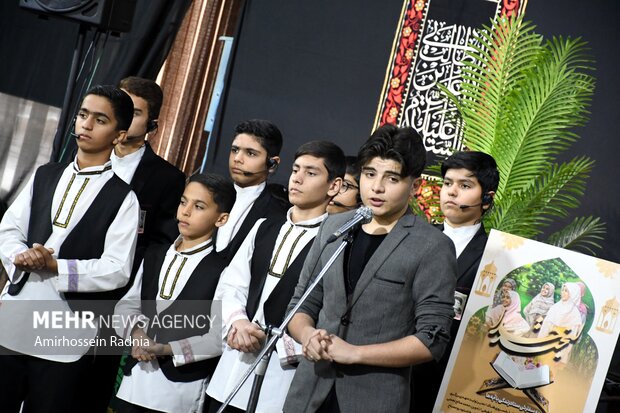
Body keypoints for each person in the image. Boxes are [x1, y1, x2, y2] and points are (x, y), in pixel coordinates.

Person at [283, 124, 457, 413]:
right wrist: (308, 336)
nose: (376, 187)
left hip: (374, 399)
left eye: (392, 178)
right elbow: (302, 303)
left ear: (414, 187)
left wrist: (356, 354)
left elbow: (432, 339)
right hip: (309, 391)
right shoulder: (334, 226)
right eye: (369, 174)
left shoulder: (432, 246)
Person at [0, 85, 140, 413]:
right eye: (82, 115)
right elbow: (9, 229)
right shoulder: (45, 175)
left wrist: (57, 267)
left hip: (65, 330)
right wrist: (22, 256)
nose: (86, 124)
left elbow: (117, 268)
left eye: (100, 120)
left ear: (119, 136)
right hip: (15, 315)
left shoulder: (123, 198)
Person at [206, 141, 345, 413]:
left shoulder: (335, 242)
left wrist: (280, 341)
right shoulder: (264, 227)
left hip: (282, 375)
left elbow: (330, 311)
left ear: (334, 186)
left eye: (311, 173)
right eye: (295, 170)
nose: (298, 178)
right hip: (233, 361)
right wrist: (238, 322)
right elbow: (232, 284)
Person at [113, 173, 235, 413]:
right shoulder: (155, 254)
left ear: (221, 219)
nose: (185, 212)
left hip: (179, 390)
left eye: (199, 206)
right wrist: (137, 335)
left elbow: (217, 337)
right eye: (183, 202)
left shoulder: (222, 269)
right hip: (134, 378)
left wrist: (165, 349)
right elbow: (127, 305)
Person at [411, 150, 499, 412]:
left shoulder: (494, 258)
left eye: (465, 185)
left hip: (449, 381)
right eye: (448, 183)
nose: (451, 191)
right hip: (394, 370)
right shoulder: (413, 239)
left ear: (487, 199)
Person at [114, 76, 186, 278]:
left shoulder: (168, 178)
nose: (124, 117)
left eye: (135, 113)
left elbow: (160, 242)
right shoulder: (86, 156)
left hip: (122, 278)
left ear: (151, 124)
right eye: (120, 108)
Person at [215, 119, 290, 262]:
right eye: (235, 150)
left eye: (250, 153)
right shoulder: (210, 193)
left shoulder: (277, 212)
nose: (237, 159)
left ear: (272, 164)